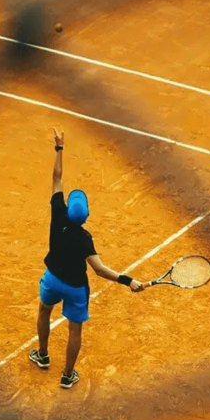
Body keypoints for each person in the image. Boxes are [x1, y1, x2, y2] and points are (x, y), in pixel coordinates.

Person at [30, 128, 144, 389]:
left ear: (69, 208)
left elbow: (57, 178)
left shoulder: (58, 213)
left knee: (44, 310)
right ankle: (67, 375)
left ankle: (43, 355)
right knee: (74, 330)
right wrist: (129, 281)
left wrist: (59, 149)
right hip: (75, 289)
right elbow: (100, 270)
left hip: (52, 279)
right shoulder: (84, 239)